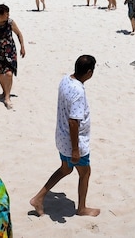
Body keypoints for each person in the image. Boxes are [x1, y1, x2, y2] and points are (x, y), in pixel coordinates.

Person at [30, 55, 100, 217]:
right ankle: (82, 208)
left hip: (61, 138)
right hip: (73, 142)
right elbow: (73, 122)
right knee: (85, 173)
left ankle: (38, 198)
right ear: (89, 72)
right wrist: (76, 150)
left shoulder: (65, 80)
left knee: (65, 169)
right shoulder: (78, 92)